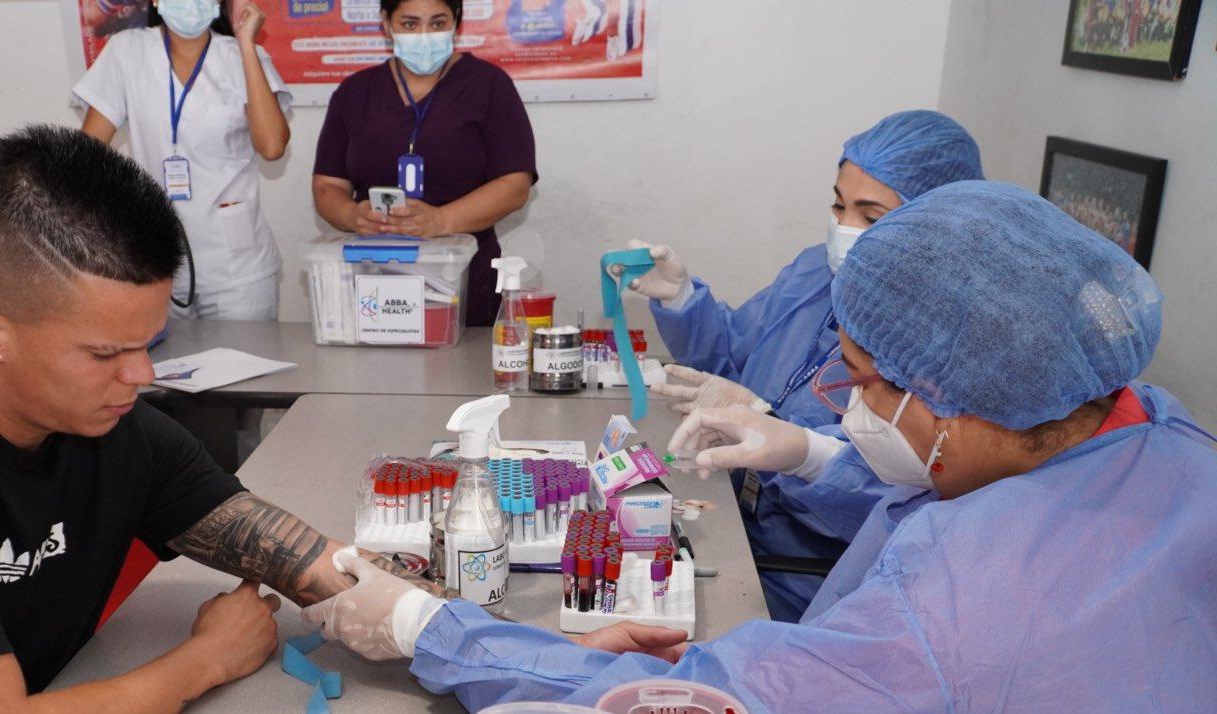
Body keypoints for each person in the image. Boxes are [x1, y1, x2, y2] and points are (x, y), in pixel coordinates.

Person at [304, 181, 1217, 711]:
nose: (840, 400)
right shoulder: (1163, 437)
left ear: (959, 402)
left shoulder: (957, 611)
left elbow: (703, 704)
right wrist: (817, 456)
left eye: (861, 382)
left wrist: (438, 628)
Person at [0, 126, 418, 712]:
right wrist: (205, 659)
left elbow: (297, 557)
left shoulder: (106, 422)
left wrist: (434, 617)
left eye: (148, 344)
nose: (142, 376)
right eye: (105, 352)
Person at [620, 110, 984, 620]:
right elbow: (734, 353)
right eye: (838, 205)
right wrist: (682, 301)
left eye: (871, 217)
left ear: (937, 224)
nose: (844, 228)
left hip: (820, 577)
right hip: (737, 522)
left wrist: (802, 450)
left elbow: (921, 505)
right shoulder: (816, 270)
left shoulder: (950, 332)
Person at [312, 0, 538, 326]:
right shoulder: (354, 92)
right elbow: (327, 185)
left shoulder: (489, 85)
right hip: (372, 280)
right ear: (386, 23)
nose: (423, 35)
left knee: (461, 372)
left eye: (437, 23)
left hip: (465, 277)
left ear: (456, 22)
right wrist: (351, 215)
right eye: (409, 24)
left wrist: (440, 220)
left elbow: (515, 185)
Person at [77, 0, 291, 321]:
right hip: (157, 259)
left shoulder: (243, 56)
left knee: (246, 366)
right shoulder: (127, 52)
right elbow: (85, 155)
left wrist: (246, 43)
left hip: (237, 267)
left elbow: (272, 146)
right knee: (167, 370)